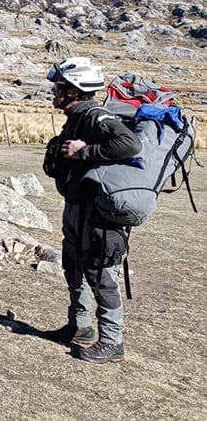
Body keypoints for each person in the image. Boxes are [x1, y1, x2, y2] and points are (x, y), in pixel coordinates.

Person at [43, 57, 141, 363]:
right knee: (75, 267)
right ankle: (80, 328)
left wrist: (84, 151)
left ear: (75, 91)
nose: (54, 92)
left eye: (59, 87)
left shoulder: (96, 116)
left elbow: (130, 144)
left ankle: (112, 341)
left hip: (96, 213)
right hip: (75, 207)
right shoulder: (76, 117)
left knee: (100, 274)